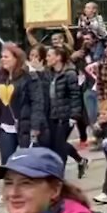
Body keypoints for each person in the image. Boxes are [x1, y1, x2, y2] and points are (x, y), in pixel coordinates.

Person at [0, 44, 46, 165]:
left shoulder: (29, 77)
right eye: (2, 57)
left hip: (25, 126)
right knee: (7, 164)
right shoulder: (0, 76)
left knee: (27, 164)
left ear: (16, 58)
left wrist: (35, 126)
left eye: (6, 57)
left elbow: (37, 102)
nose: (3, 59)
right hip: (5, 126)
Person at [41, 46, 89, 178]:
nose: (47, 58)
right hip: (51, 115)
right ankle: (80, 160)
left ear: (58, 57)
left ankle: (58, 175)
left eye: (50, 55)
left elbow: (75, 96)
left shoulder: (70, 74)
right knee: (52, 143)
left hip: (64, 116)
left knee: (59, 145)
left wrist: (74, 116)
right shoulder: (48, 73)